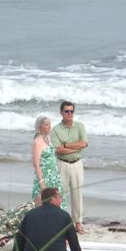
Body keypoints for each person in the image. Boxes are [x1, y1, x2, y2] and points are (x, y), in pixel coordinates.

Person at [50, 100, 88, 233]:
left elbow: (84, 144)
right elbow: (58, 149)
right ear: (61, 112)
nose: (69, 114)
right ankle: (60, 224)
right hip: (62, 164)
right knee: (60, 195)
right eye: (66, 111)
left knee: (77, 193)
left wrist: (66, 145)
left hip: (77, 164)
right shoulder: (56, 130)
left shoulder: (80, 126)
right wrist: (75, 147)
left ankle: (78, 224)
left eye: (72, 111)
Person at [31, 115, 66, 209]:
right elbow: (36, 164)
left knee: (58, 200)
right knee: (44, 203)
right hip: (44, 176)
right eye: (46, 125)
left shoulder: (47, 138)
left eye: (49, 124)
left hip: (54, 176)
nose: (49, 126)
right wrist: (42, 183)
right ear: (40, 127)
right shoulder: (37, 141)